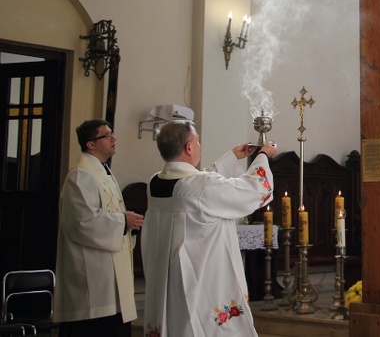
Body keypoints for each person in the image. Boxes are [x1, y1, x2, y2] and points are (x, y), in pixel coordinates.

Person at [141, 120, 277, 337]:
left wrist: (231, 157)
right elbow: (255, 190)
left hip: (168, 281)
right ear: (188, 148)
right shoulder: (199, 186)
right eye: (197, 141)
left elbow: (198, 182)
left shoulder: (155, 182)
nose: (199, 145)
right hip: (202, 281)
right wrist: (262, 156)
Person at [54, 119, 144, 337]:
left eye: (111, 133)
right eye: (106, 135)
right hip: (93, 282)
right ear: (90, 144)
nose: (113, 138)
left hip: (110, 277)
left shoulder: (103, 173)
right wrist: (123, 221)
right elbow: (82, 222)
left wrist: (126, 222)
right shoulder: (80, 175)